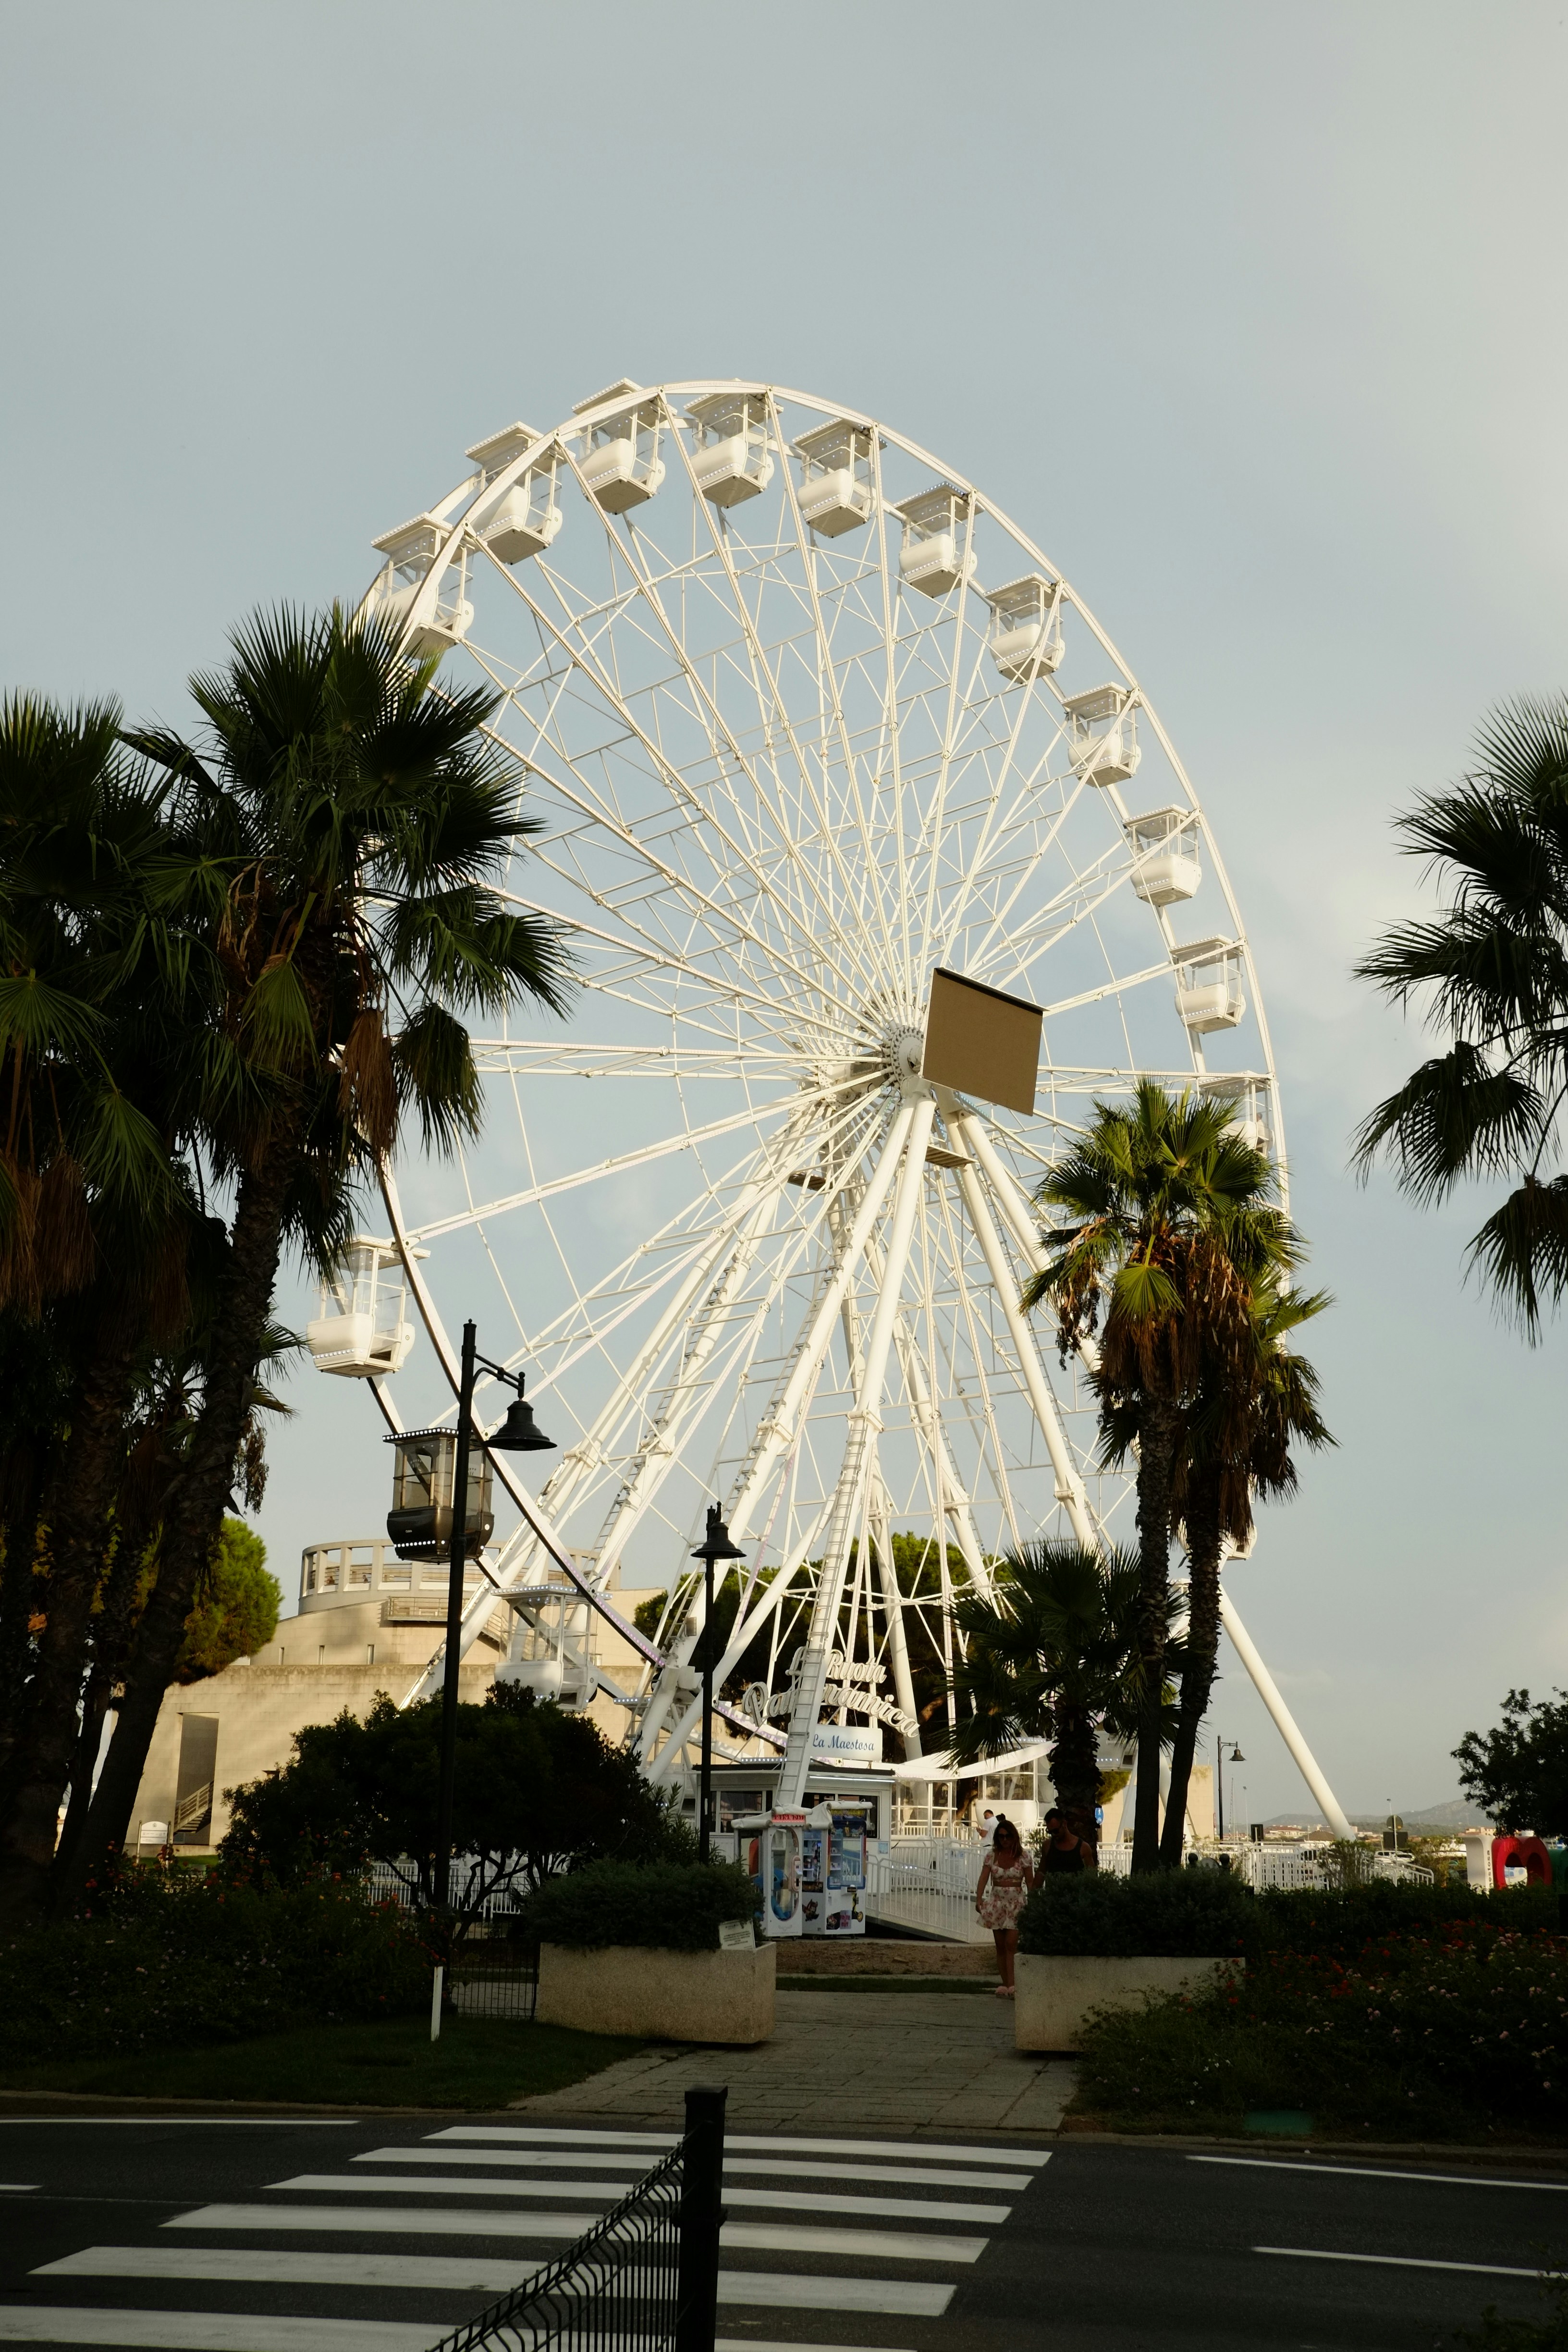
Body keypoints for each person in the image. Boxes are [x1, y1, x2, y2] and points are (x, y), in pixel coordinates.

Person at [974, 1814, 1035, 1997]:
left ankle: (1013, 1984)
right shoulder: (992, 1856)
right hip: (997, 1903)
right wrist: (979, 1899)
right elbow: (984, 1878)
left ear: (1014, 1837)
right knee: (1000, 1946)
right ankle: (1005, 1984)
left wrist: (1035, 1903)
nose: (1005, 1840)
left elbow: (1031, 1883)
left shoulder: (1023, 1856)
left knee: (1011, 1944)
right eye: (1001, 1836)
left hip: (1016, 1903)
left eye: (1008, 1836)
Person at [1040, 1806, 1096, 1873]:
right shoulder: (1047, 1846)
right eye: (1050, 1832)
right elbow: (1041, 1873)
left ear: (1064, 1824)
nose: (1054, 1835)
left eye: (1056, 1831)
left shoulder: (1083, 1848)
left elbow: (1092, 1876)